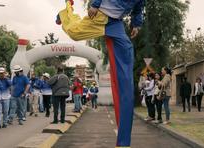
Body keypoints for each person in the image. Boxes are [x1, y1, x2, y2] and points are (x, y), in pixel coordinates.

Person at [56, 0, 144, 146]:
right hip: (100, 15)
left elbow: (139, 8)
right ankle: (65, 12)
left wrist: (136, 24)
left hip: (116, 23)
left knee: (127, 50)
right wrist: (95, 4)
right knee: (74, 33)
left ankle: (123, 143)